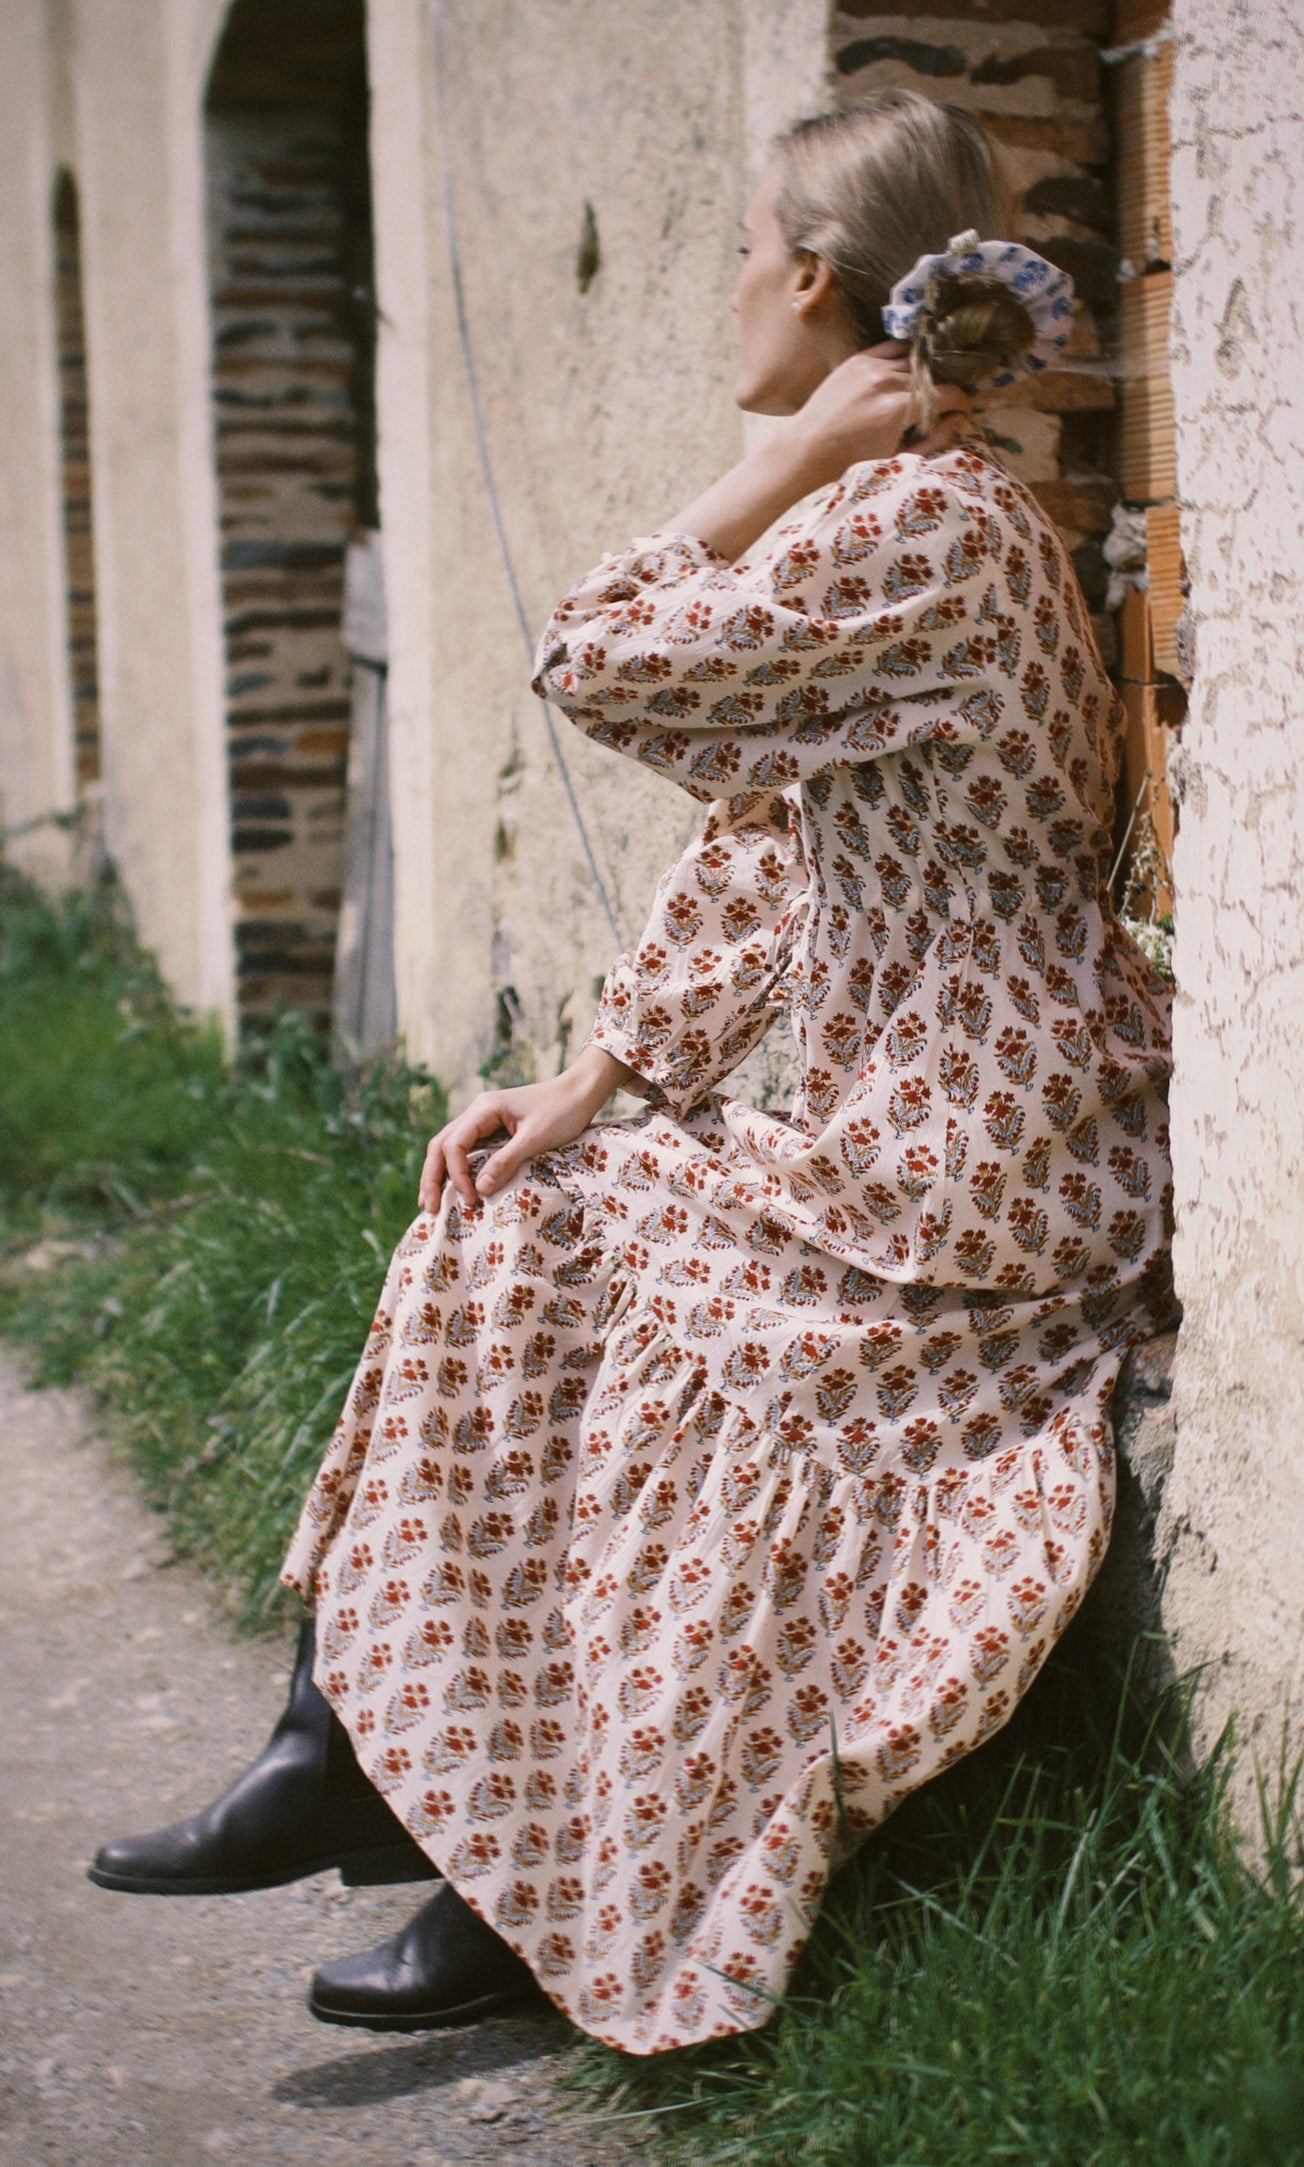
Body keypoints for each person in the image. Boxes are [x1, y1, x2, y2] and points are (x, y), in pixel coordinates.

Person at [91, 89, 1173, 2056]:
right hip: (909, 1130)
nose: (727, 288)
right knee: (515, 1204)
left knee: (638, 1324)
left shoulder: (915, 522)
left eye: (745, 252)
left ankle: (515, 1859)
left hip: (977, 1169)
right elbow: (773, 849)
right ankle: (358, 1750)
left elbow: (591, 656)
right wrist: (595, 1079)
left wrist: (757, 470)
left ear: (816, 283)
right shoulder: (896, 518)